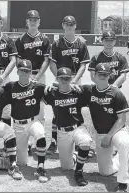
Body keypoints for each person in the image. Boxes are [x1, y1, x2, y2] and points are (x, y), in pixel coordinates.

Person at [82, 63, 129, 192]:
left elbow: (122, 119)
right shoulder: (89, 91)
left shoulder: (116, 93)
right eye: (100, 74)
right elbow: (71, 90)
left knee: (124, 143)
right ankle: (122, 158)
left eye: (105, 74)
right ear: (95, 75)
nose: (103, 76)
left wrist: (109, 137)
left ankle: (123, 183)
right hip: (100, 133)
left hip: (117, 131)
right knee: (105, 172)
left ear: (109, 76)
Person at [0, 59, 48, 183]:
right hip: (17, 125)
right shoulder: (11, 87)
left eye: (27, 71)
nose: (25, 73)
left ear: (31, 72)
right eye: (22, 70)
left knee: (40, 134)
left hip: (33, 122)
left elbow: (54, 93)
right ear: (18, 71)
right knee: (22, 162)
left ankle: (41, 167)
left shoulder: (38, 87)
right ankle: (10, 162)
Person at [43, 67, 93, 186]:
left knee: (85, 141)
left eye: (67, 78)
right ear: (57, 78)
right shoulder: (52, 93)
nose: (64, 80)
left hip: (77, 128)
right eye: (61, 78)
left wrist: (76, 85)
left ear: (71, 79)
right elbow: (36, 91)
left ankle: (79, 172)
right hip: (62, 132)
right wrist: (49, 85)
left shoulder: (78, 92)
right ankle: (76, 156)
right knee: (66, 167)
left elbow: (94, 87)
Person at [48, 15, 90, 154]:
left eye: (72, 23)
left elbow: (83, 65)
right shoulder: (57, 43)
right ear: (63, 26)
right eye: (67, 23)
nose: (70, 26)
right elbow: (52, 64)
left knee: (76, 109)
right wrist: (60, 79)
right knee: (57, 109)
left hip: (75, 78)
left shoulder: (81, 44)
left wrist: (74, 81)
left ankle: (79, 141)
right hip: (60, 78)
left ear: (75, 26)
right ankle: (54, 141)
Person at [15, 10, 51, 155]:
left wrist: (37, 76)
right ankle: (27, 142)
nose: (33, 21)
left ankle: (38, 140)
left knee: (40, 111)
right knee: (26, 108)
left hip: (39, 76)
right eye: (30, 19)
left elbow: (46, 60)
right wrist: (26, 75)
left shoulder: (44, 39)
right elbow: (17, 60)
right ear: (27, 22)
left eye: (35, 19)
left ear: (39, 21)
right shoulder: (20, 40)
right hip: (25, 76)